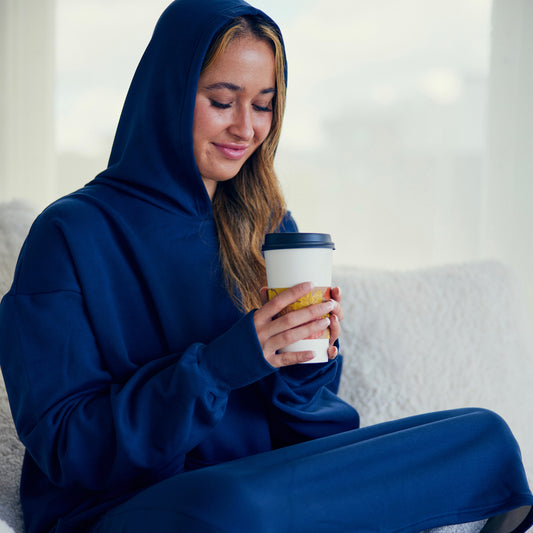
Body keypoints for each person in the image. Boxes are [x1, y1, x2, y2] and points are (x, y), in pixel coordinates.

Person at [0, 1, 532, 532]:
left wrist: (304, 361)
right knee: (231, 508)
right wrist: (219, 366)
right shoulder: (68, 234)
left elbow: (304, 426)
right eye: (222, 100)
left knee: (483, 437)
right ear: (168, 95)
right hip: (131, 504)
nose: (245, 128)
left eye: (263, 104)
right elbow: (67, 445)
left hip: (261, 483)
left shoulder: (264, 220)